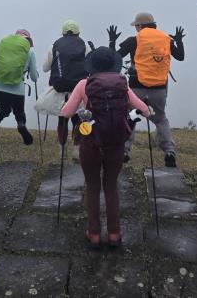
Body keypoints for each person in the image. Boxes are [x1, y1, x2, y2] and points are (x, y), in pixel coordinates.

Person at [60, 47, 150, 249]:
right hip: (116, 144)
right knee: (111, 185)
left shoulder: (84, 84)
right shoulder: (122, 84)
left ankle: (93, 234)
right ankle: (114, 234)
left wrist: (73, 104)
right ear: (113, 65)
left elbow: (66, 113)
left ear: (92, 66)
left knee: (92, 186)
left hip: (91, 143)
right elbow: (144, 111)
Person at [107, 13, 185, 166]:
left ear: (140, 26)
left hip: (136, 88)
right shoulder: (166, 39)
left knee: (131, 117)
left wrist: (112, 41)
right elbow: (180, 56)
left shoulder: (133, 40)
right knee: (160, 119)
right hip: (159, 89)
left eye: (136, 26)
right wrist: (179, 41)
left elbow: (114, 58)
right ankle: (169, 151)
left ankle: (124, 151)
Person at [0, 29, 38, 145]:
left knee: (5, 109)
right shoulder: (29, 53)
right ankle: (21, 125)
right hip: (17, 91)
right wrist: (35, 76)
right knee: (19, 112)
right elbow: (34, 77)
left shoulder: (3, 51)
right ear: (27, 41)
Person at [42, 20, 92, 142]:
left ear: (63, 33)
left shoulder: (54, 46)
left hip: (60, 87)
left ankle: (62, 144)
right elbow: (91, 66)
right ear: (78, 33)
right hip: (78, 88)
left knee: (62, 118)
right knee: (77, 118)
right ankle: (77, 145)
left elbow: (45, 68)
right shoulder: (85, 46)